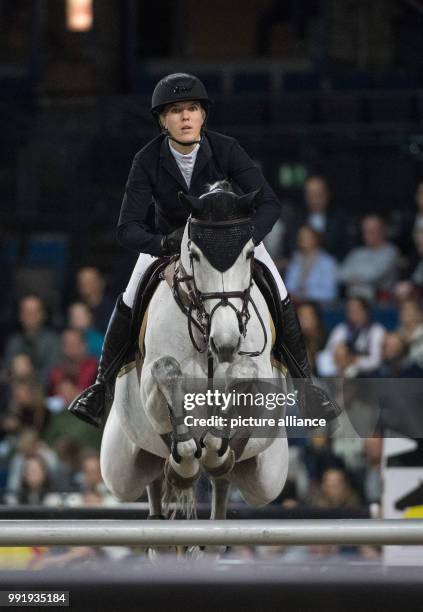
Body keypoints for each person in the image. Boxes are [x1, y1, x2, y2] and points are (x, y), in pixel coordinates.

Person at [68, 73, 333, 428]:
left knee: (277, 288)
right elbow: (127, 228)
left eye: (192, 108)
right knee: (131, 297)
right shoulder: (146, 160)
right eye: (176, 110)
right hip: (171, 243)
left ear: (203, 115)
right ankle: (100, 389)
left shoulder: (226, 149)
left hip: (233, 241)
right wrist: (163, 244)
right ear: (163, 120)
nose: (186, 117)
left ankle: (306, 387)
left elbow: (269, 203)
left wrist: (249, 238)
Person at [316, 297, 386, 377]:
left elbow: (375, 361)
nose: (353, 313)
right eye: (350, 310)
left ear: (366, 311)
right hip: (341, 373)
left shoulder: (376, 330)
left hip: (369, 376)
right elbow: (327, 355)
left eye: (357, 310)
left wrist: (353, 360)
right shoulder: (340, 329)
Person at [337, 214, 399, 301]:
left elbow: (374, 275)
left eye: (373, 231)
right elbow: (341, 274)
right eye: (366, 231)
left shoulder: (391, 252)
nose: (369, 234)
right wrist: (363, 276)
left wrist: (354, 275)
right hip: (353, 301)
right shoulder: (357, 252)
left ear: (383, 231)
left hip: (381, 303)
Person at [285, 225, 338, 303]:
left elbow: (329, 293)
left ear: (315, 239)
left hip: (320, 306)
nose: (302, 240)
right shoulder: (295, 259)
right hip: (296, 305)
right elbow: (288, 286)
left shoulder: (328, 262)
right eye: (301, 237)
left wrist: (306, 293)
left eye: (307, 237)